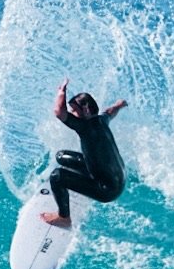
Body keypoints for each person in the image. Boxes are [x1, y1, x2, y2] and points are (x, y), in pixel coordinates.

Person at [41, 79, 128, 228]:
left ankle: (64, 218)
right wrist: (119, 105)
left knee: (57, 176)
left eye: (75, 110)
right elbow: (110, 112)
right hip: (116, 178)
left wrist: (61, 92)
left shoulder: (84, 126)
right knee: (61, 156)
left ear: (86, 110)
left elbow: (58, 112)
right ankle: (79, 183)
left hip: (107, 190)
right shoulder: (101, 119)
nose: (73, 114)